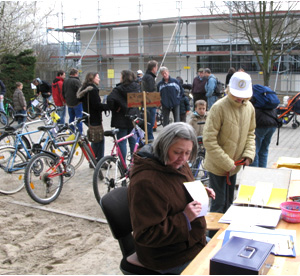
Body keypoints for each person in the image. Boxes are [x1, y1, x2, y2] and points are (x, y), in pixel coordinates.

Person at [128, 122, 215, 274]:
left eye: (188, 153)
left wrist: (199, 191)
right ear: (163, 146)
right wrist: (185, 217)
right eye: (178, 152)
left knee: (226, 254)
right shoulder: (146, 181)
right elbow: (146, 234)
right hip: (168, 255)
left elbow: (177, 188)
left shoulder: (177, 164)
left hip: (191, 240)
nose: (183, 158)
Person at [203, 71, 256, 214]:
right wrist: (226, 162)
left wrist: (248, 154)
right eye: (236, 95)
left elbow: (251, 133)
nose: (240, 99)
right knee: (218, 205)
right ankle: (212, 235)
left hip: (234, 166)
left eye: (243, 96)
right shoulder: (218, 107)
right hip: (217, 166)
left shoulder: (249, 108)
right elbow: (209, 140)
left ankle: (225, 234)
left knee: (229, 204)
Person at [107, 69, 140, 161]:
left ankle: (123, 164)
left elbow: (110, 99)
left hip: (121, 118)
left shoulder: (118, 89)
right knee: (133, 141)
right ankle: (135, 162)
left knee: (122, 142)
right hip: (133, 117)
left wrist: (116, 108)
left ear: (124, 77)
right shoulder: (137, 87)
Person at [76, 72, 110, 163]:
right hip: (94, 118)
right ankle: (98, 161)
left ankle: (94, 160)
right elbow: (96, 106)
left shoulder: (85, 88)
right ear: (92, 78)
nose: (99, 79)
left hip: (87, 117)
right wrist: (107, 106)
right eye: (97, 77)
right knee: (98, 139)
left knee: (96, 139)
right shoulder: (93, 90)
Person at [141, 60, 158, 140]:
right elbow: (151, 90)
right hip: (150, 102)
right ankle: (150, 138)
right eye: (156, 67)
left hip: (147, 102)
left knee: (148, 122)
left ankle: (149, 137)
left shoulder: (146, 76)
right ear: (154, 68)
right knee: (150, 123)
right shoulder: (150, 77)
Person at [62, 68, 83, 133]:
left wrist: (65, 99)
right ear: (76, 74)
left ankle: (71, 132)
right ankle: (79, 133)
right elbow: (80, 92)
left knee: (71, 118)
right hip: (77, 103)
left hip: (69, 103)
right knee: (79, 118)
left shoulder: (65, 81)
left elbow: (63, 92)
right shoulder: (76, 81)